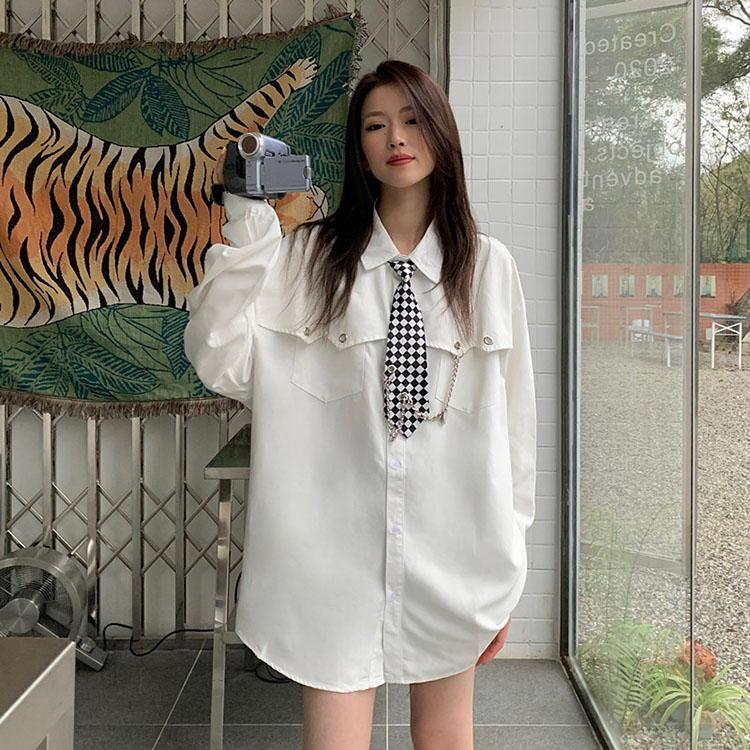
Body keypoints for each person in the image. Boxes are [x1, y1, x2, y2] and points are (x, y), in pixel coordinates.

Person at [184, 59, 536, 750]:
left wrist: (509, 568)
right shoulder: (304, 259)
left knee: (446, 739)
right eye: (375, 125)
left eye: (412, 118)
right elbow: (222, 359)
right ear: (359, 148)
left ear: (441, 132)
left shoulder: (487, 267)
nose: (396, 137)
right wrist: (249, 226)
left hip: (455, 555)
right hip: (331, 562)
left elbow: (515, 431)